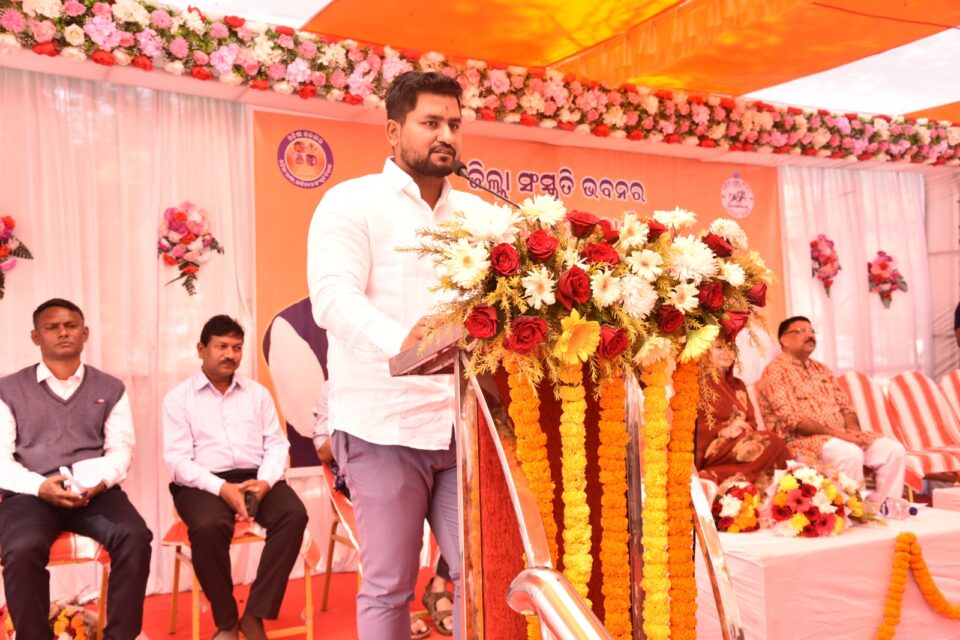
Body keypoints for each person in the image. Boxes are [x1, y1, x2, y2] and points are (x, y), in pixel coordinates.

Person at [307, 70, 487, 639]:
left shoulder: (482, 218)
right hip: (383, 424)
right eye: (431, 122)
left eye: (454, 124)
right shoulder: (351, 202)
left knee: (483, 576)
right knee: (389, 585)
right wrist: (405, 342)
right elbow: (333, 298)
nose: (446, 135)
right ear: (393, 131)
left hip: (462, 427)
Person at [0, 298, 152, 640]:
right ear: (35, 337)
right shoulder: (7, 390)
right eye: (51, 327)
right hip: (30, 495)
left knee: (135, 536)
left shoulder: (110, 388)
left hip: (94, 493)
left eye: (71, 326)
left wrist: (102, 482)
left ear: (85, 333)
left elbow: (121, 448)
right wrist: (40, 487)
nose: (63, 333)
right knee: (21, 549)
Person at [163, 315, 308, 640]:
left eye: (237, 347)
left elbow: (276, 444)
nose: (230, 354)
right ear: (201, 349)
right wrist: (222, 488)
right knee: (209, 526)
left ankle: (255, 614)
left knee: (294, 514)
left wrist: (265, 482)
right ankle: (227, 620)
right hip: (201, 481)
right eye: (222, 346)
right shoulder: (178, 399)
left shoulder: (257, 394)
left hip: (256, 475)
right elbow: (177, 462)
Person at [757, 316, 907, 499]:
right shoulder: (775, 371)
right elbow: (794, 421)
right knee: (849, 453)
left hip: (838, 438)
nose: (810, 335)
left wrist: (853, 433)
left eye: (812, 331)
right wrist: (840, 435)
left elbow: (846, 408)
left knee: (893, 451)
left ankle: (887, 505)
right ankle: (853, 510)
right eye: (802, 331)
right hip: (800, 442)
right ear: (784, 340)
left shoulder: (822, 369)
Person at [697, 338, 789, 489]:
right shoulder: (698, 384)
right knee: (773, 443)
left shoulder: (738, 384)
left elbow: (752, 421)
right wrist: (725, 430)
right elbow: (697, 426)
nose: (726, 352)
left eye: (730, 348)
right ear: (704, 352)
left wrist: (743, 427)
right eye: (719, 347)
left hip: (742, 438)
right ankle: (714, 475)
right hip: (715, 444)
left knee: (775, 446)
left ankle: (719, 476)